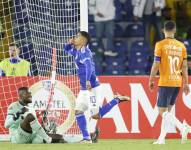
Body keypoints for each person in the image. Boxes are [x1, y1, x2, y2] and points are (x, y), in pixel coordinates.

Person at [64, 31, 130, 143]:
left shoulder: (85, 52)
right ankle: (86, 138)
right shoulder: (76, 51)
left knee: (96, 115)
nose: (74, 37)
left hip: (92, 88)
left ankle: (117, 100)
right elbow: (66, 49)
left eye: (77, 36)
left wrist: (88, 80)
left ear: (84, 40)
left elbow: (89, 66)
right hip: (83, 89)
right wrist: (68, 43)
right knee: (78, 111)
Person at [149, 20, 191, 144]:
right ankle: (161, 139)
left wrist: (151, 79)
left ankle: (183, 127)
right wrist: (186, 83)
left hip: (165, 81)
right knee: (167, 113)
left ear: (163, 30)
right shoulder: (181, 46)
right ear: (175, 30)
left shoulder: (160, 44)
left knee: (162, 112)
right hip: (177, 82)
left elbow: (156, 64)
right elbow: (184, 67)